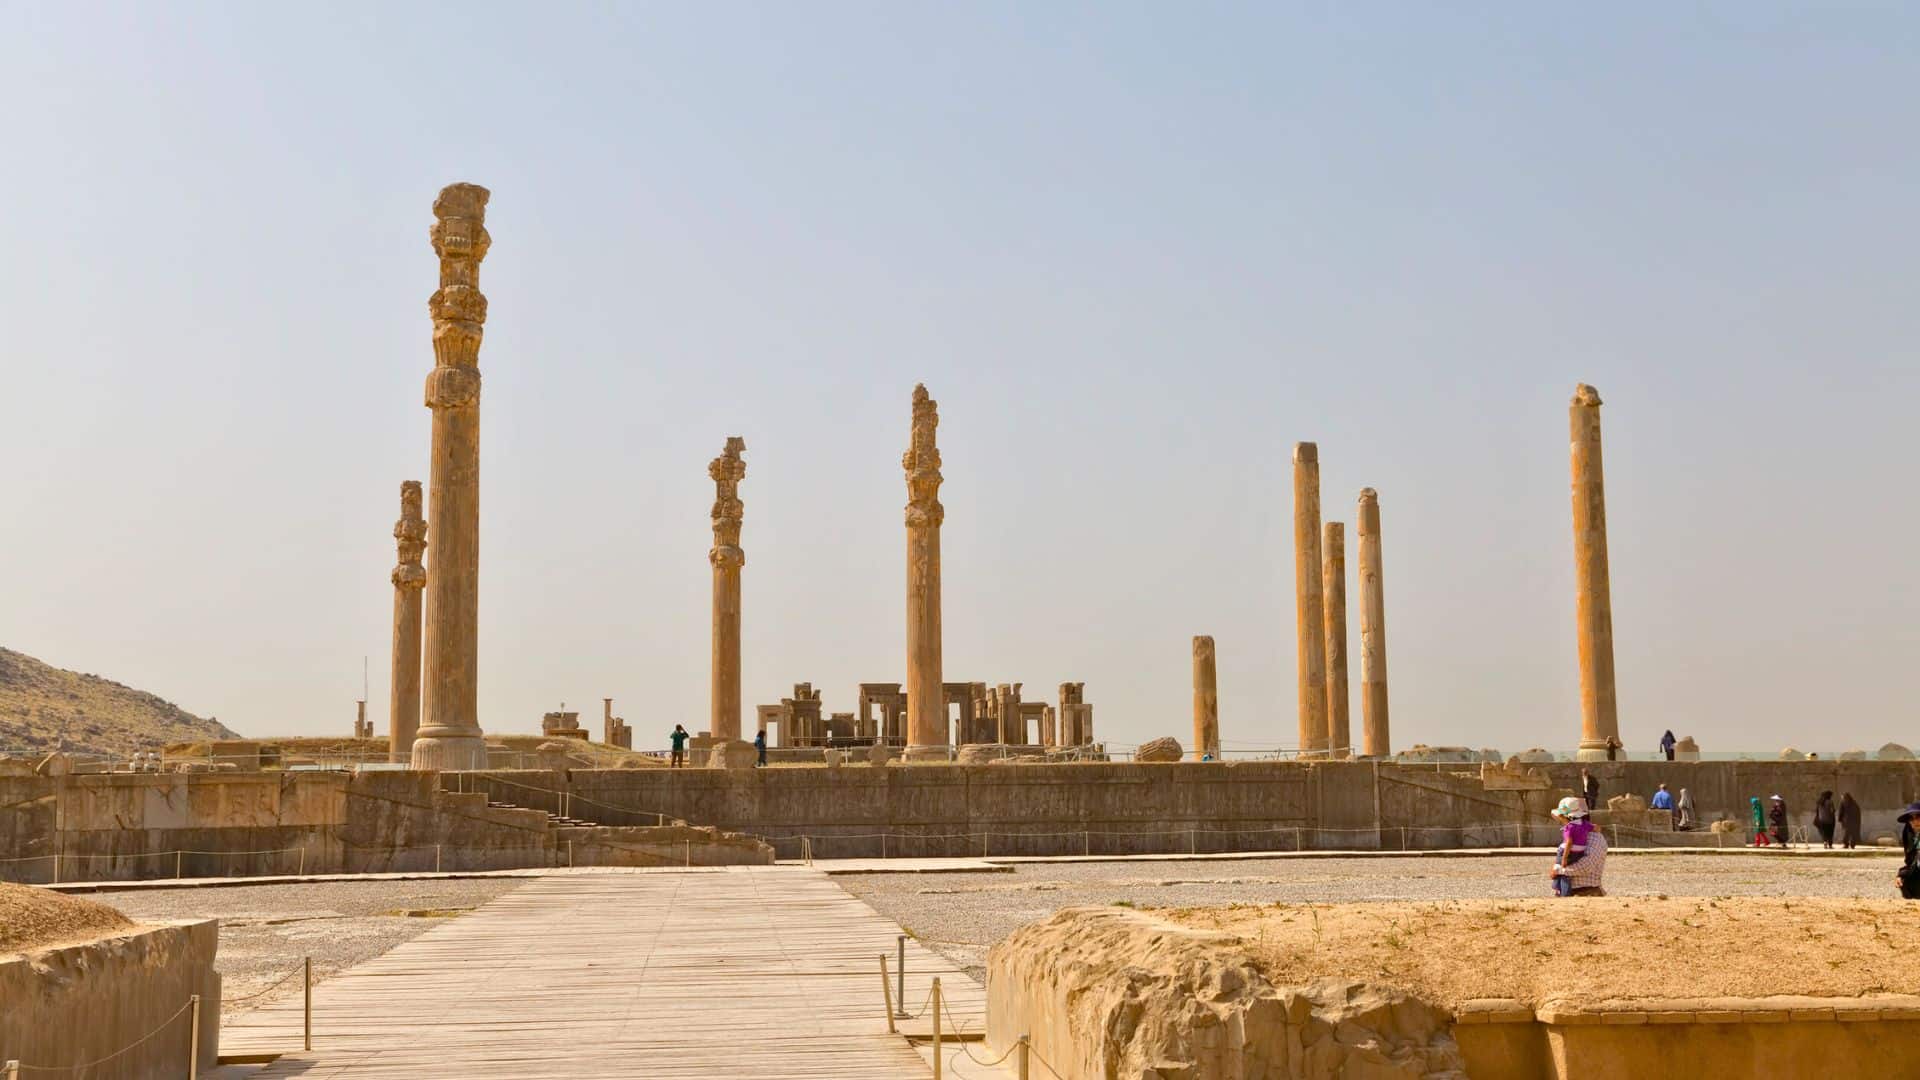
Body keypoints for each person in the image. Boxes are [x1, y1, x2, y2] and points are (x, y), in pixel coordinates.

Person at [1548, 796, 1606, 896]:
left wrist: (1559, 870)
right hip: (1572, 892)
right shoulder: (1575, 831)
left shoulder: (1595, 838)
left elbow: (1586, 866)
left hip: (1585, 892)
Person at [1898, 802, 1920, 900]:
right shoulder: (1909, 834)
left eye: (1918, 817)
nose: (1915, 821)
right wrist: (1901, 875)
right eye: (1911, 818)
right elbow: (1910, 860)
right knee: (1905, 880)